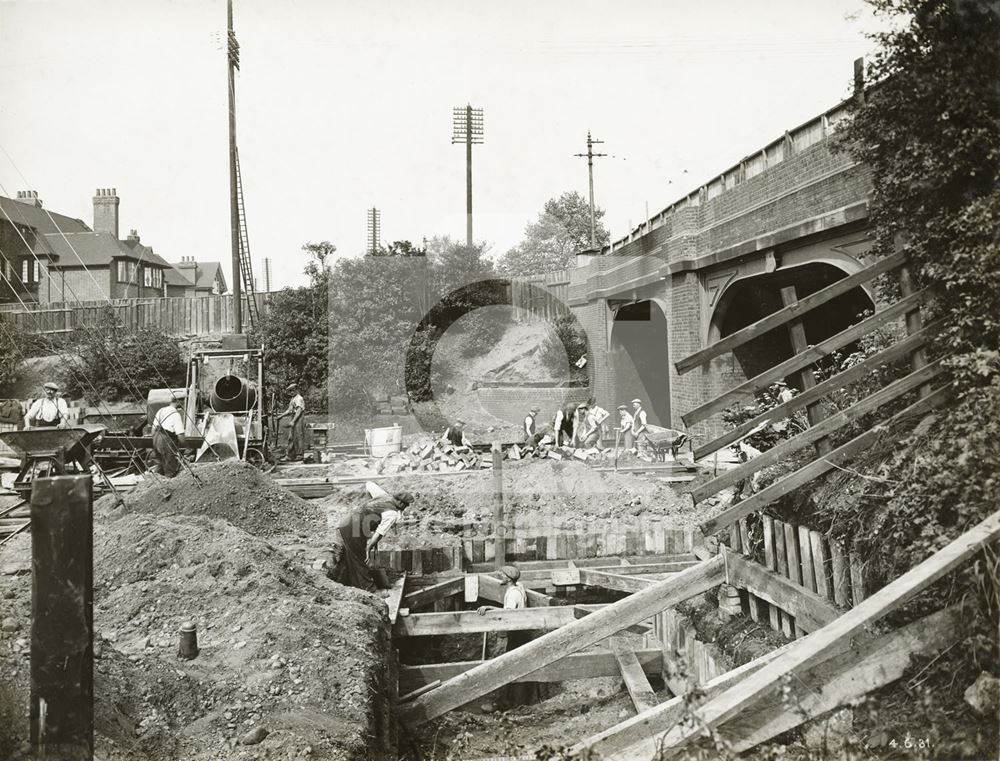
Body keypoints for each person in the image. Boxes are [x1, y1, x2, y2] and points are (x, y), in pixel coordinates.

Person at [326, 489, 414, 591]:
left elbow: (369, 485)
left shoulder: (384, 496)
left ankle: (351, 584)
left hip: (348, 520)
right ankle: (369, 589)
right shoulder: (392, 513)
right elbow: (379, 533)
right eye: (406, 505)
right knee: (361, 559)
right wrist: (369, 547)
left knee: (351, 556)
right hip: (354, 528)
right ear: (399, 502)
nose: (407, 507)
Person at [151, 395, 187, 478]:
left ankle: (155, 483)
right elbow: (180, 435)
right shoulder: (176, 414)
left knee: (160, 465)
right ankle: (169, 486)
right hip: (166, 441)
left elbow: (153, 430)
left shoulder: (161, 410)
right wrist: (186, 447)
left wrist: (156, 442)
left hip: (156, 439)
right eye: (183, 403)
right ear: (179, 402)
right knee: (170, 468)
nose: (183, 405)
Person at [276, 383, 306, 461]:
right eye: (290, 391)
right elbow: (289, 410)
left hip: (298, 418)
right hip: (293, 416)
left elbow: (299, 411)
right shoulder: (293, 399)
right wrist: (281, 416)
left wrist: (293, 421)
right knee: (291, 437)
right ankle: (290, 455)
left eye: (292, 391)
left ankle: (299, 455)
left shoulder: (299, 398)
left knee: (298, 436)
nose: (291, 393)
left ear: (296, 390)